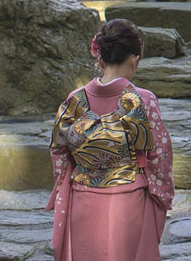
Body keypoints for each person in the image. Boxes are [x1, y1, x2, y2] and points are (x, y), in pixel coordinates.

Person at [47, 19, 173, 261]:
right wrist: (161, 195)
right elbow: (160, 156)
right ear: (135, 57)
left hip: (82, 198)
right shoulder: (142, 100)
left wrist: (68, 184)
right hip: (128, 201)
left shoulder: (74, 100)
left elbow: (59, 152)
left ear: (100, 57)